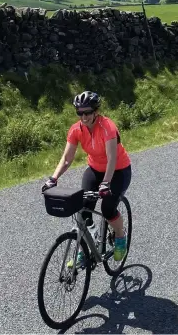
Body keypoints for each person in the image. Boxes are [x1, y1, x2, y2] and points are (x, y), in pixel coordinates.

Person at [42, 91, 132, 262]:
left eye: (87, 112)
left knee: (107, 208)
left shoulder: (107, 127)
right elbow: (67, 159)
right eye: (79, 113)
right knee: (83, 208)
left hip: (119, 170)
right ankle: (86, 243)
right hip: (95, 169)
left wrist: (106, 183)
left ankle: (120, 237)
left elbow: (112, 158)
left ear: (96, 111)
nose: (83, 116)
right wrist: (53, 179)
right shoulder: (76, 130)